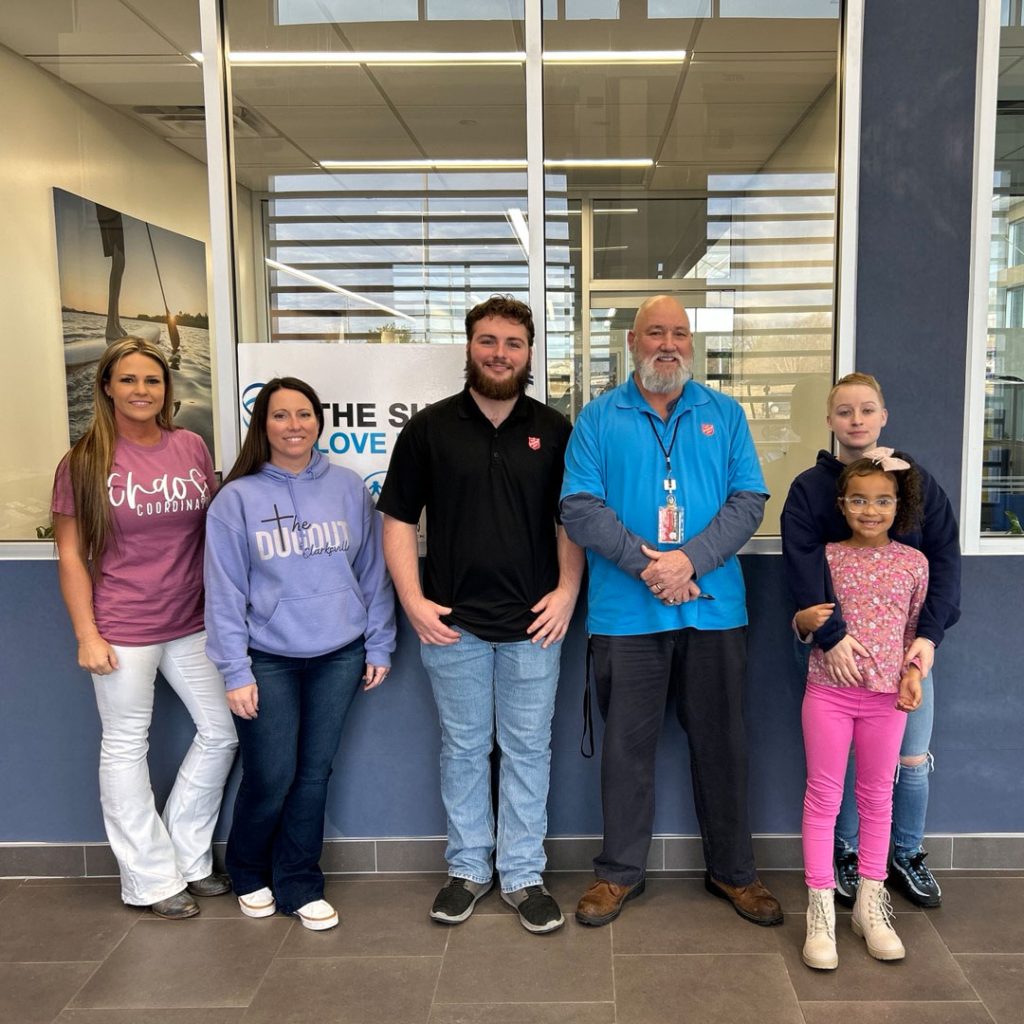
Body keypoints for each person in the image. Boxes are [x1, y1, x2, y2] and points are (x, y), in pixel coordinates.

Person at [560, 294, 782, 928]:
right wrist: (649, 565)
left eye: (679, 333)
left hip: (713, 611)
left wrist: (688, 561)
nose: (668, 344)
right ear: (632, 342)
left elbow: (749, 500)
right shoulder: (599, 419)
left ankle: (734, 873)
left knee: (724, 746)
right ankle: (617, 874)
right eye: (655, 333)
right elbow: (578, 507)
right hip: (626, 617)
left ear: (692, 343)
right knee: (627, 751)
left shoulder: (725, 413)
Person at [377, 295, 584, 935]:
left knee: (527, 749)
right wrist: (412, 602)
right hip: (452, 623)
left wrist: (567, 592)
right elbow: (397, 520)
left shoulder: (554, 430)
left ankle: (522, 874)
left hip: (534, 624)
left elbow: (569, 520)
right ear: (469, 347)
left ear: (528, 354)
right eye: (489, 341)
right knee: (465, 749)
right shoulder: (430, 429)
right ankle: (468, 869)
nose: (500, 353)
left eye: (513, 344)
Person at [52, 336, 237, 919]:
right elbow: (70, 555)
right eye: (128, 380)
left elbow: (212, 533)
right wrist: (87, 632)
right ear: (106, 385)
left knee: (223, 731)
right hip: (122, 628)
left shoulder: (190, 446)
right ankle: (149, 879)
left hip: (192, 622)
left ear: (167, 389)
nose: (141, 391)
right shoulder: (82, 462)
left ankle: (186, 854)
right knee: (127, 747)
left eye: (152, 381)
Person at [203, 377, 395, 931]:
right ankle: (247, 870)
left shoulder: (348, 487)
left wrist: (378, 641)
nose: (294, 425)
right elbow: (223, 591)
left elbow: (371, 573)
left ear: (319, 421)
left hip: (339, 653)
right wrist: (235, 669)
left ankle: (299, 881)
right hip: (268, 657)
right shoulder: (236, 500)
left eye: (304, 414)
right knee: (271, 773)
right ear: (262, 425)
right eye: (281, 415)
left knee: (314, 773)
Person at [781, 373, 961, 909]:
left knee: (907, 759)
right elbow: (804, 565)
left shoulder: (918, 483)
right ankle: (848, 856)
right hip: (831, 653)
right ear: (830, 421)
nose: (856, 420)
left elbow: (944, 563)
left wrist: (928, 638)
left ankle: (903, 854)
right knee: (842, 767)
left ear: (883, 416)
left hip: (906, 655)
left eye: (866, 410)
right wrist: (829, 638)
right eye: (844, 411)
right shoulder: (812, 488)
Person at [796, 451, 928, 969]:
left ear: (899, 505)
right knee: (823, 798)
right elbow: (804, 626)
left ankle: (871, 905)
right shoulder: (826, 558)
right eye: (859, 500)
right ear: (842, 505)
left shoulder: (913, 563)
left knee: (877, 797)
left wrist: (914, 673)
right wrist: (805, 620)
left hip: (885, 701)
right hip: (827, 694)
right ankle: (820, 908)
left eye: (882, 500)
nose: (870, 510)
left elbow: (915, 633)